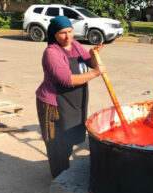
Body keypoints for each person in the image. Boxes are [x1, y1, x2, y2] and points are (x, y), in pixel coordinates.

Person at [36, 16, 106, 178]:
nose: (68, 36)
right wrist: (95, 73)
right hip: (53, 104)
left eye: (70, 31)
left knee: (68, 140)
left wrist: (94, 55)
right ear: (54, 34)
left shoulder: (74, 45)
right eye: (62, 33)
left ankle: (64, 172)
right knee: (57, 144)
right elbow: (67, 80)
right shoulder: (51, 52)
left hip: (73, 102)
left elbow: (90, 63)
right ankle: (59, 180)